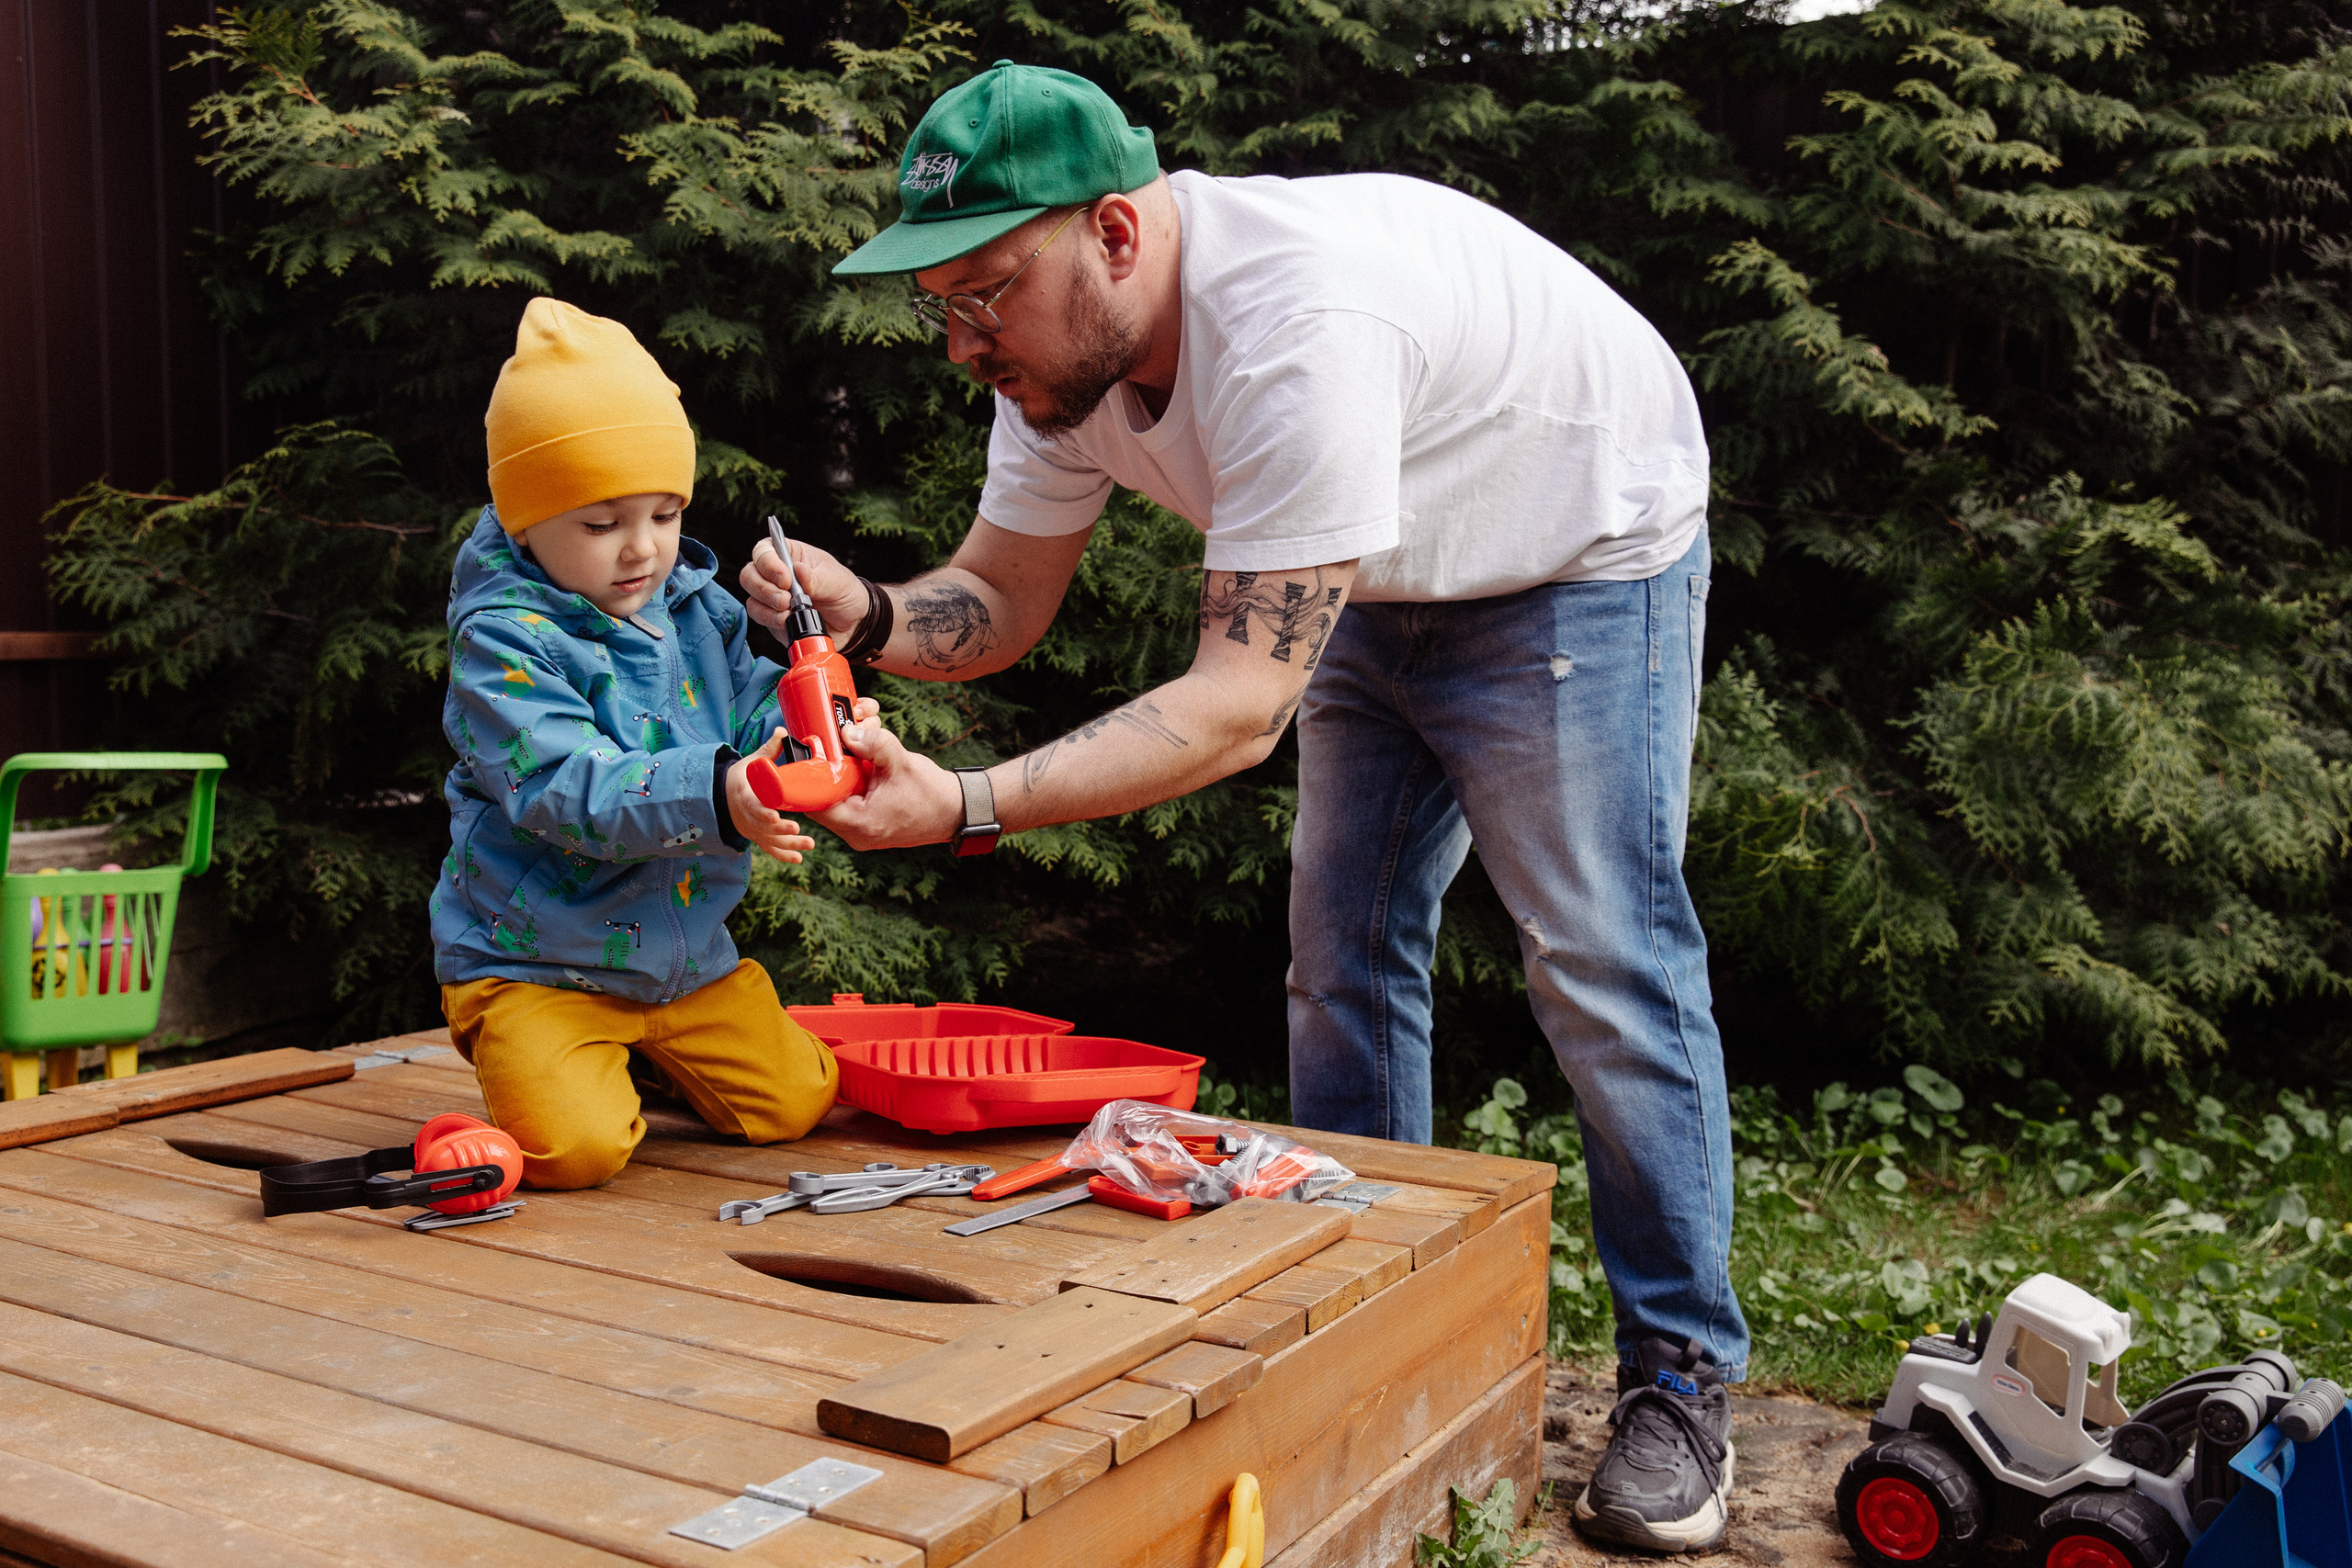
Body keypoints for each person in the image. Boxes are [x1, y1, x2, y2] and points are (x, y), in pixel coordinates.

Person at [748, 62, 1748, 1551]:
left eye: (986, 295)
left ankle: (1682, 1377)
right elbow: (1000, 601)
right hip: (1379, 568)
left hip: (1577, 550)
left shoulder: (1296, 328)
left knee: (1599, 961)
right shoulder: (1055, 363)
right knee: (1337, 947)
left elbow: (1232, 708)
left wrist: (963, 803)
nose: (965, 345)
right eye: (939, 307)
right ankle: (1353, 1294)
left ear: (1114, 233)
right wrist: (874, 611)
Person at [431, 298, 845, 1190]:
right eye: (600, 522)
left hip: (687, 960)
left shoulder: (695, 605)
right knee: (574, 1155)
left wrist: (812, 736)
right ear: (523, 520)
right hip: (537, 963)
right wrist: (724, 792)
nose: (644, 550)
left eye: (664, 513)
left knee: (796, 1103)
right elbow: (562, 787)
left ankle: (646, 1059)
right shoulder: (505, 640)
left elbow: (750, 713)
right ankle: (507, 1078)